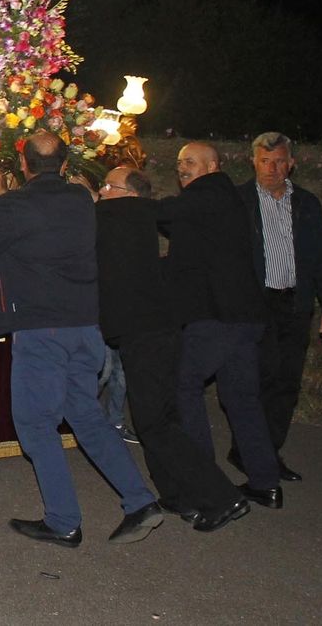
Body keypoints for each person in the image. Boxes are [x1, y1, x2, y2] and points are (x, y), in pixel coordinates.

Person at [0, 132, 157, 545]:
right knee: (87, 416)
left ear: (24, 164)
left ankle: (62, 520)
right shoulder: (80, 201)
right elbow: (41, 220)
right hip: (85, 328)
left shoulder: (18, 206)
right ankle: (140, 499)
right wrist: (7, 197)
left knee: (36, 423)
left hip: (42, 331)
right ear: (66, 163)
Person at [95, 166, 248, 532]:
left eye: (107, 186)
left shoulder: (126, 212)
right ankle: (179, 496)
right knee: (156, 421)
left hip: (147, 336)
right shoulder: (127, 219)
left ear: (129, 194)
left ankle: (224, 497)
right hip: (153, 333)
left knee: (156, 424)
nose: (102, 191)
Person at [159, 141, 284, 507]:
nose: (183, 168)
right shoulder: (218, 202)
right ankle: (266, 482)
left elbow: (166, 212)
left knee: (184, 385)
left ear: (212, 166)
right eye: (180, 161)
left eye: (192, 162)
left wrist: (126, 203)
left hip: (218, 317)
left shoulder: (210, 191)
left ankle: (204, 483)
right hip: (243, 318)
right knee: (241, 398)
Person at [237, 132, 322, 482]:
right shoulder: (240, 201)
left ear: (291, 163)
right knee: (260, 376)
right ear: (253, 161)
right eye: (265, 161)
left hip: (295, 303)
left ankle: (267, 452)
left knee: (286, 382)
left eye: (279, 161)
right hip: (256, 303)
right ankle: (251, 450)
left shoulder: (307, 204)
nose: (272, 168)